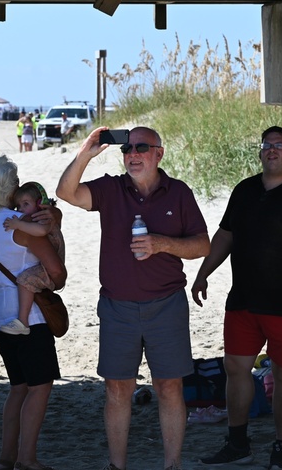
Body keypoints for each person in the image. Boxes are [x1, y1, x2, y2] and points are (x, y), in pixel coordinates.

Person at [56, 126, 210, 470]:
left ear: (159, 153)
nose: (133, 154)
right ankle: (117, 466)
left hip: (167, 304)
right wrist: (85, 154)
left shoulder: (179, 192)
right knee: (117, 388)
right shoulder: (111, 188)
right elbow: (65, 193)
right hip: (117, 306)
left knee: (169, 387)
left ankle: (172, 465)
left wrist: (162, 243)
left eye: (142, 147)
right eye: (127, 149)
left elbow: (203, 244)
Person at [193, 126, 282, 469]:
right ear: (261, 153)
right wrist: (203, 272)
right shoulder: (244, 190)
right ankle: (238, 443)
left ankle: (281, 448)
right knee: (235, 369)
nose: (271, 150)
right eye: (267, 145)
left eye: (279, 146)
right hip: (243, 301)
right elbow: (224, 236)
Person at [0, 157, 66, 470]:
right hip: (29, 318)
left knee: (18, 387)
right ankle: (27, 459)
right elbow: (57, 273)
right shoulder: (21, 225)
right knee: (40, 386)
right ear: (9, 187)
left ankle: (5, 459)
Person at [0, 182, 66, 336]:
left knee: (25, 280)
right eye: (18, 206)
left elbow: (41, 231)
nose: (21, 209)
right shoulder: (42, 217)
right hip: (47, 265)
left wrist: (18, 224)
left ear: (40, 203)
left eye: (26, 204)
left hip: (49, 267)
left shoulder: (44, 219)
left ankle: (23, 321)